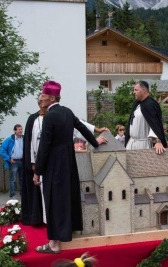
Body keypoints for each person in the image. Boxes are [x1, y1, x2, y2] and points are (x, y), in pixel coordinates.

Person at [33, 80, 107, 253]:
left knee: (53, 199)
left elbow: (44, 146)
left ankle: (54, 244)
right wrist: (95, 143)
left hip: (54, 163)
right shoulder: (67, 112)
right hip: (68, 161)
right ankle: (68, 231)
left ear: (51, 98)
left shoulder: (49, 116)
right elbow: (82, 127)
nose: (41, 99)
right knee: (67, 196)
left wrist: (37, 172)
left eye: (43, 96)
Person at [22, 96, 47, 225]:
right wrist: (32, 162)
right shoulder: (33, 119)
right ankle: (38, 218)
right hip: (37, 160)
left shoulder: (53, 117)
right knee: (38, 191)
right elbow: (29, 142)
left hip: (50, 160)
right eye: (40, 102)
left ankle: (48, 218)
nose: (42, 104)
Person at [125, 81, 167, 154]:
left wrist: (158, 141)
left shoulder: (150, 104)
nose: (133, 92)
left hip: (143, 145)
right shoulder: (137, 104)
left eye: (136, 90)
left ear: (144, 90)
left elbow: (155, 124)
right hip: (132, 143)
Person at [0, 124, 23, 199]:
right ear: (15, 131)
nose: (21, 131)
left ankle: (23, 194)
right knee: (13, 179)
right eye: (19, 129)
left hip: (22, 161)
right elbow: (2, 149)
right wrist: (8, 158)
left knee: (22, 179)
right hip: (14, 162)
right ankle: (12, 195)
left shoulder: (24, 138)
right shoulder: (10, 139)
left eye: (21, 129)